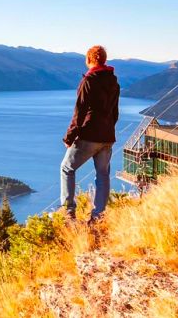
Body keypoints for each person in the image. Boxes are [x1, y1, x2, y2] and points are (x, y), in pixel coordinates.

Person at [60, 45, 120, 222]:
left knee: (67, 168)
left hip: (89, 134)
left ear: (89, 60)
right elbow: (114, 112)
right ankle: (98, 216)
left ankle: (68, 212)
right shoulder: (113, 81)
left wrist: (69, 137)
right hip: (107, 136)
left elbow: (80, 111)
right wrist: (108, 130)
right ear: (104, 59)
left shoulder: (89, 80)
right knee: (102, 174)